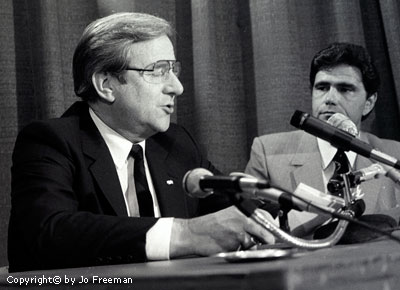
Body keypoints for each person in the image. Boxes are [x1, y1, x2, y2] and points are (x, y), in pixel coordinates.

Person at [8, 12, 275, 272]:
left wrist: (276, 215)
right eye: (158, 71)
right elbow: (49, 233)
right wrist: (185, 234)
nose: (177, 87)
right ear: (106, 85)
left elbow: (233, 215)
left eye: (173, 69)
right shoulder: (51, 142)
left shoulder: (176, 144)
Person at [245, 42, 400, 238]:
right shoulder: (267, 153)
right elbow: (249, 232)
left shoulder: (394, 155)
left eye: (345, 89)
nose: (330, 98)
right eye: (322, 87)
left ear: (369, 103)